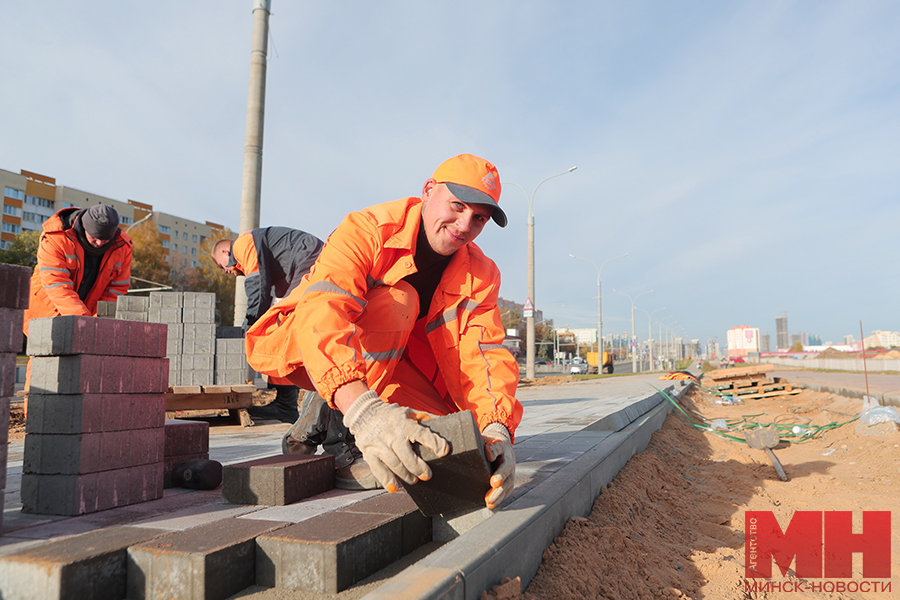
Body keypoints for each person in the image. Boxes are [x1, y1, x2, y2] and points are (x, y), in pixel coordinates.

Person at [245, 154, 523, 510]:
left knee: (454, 438)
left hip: (389, 366)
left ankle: (325, 411)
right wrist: (365, 413)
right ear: (428, 190)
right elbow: (323, 310)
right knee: (398, 300)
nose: (464, 224)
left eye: (479, 218)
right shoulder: (368, 229)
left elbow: (483, 354)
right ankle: (344, 440)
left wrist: (497, 428)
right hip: (306, 345)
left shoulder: (480, 273)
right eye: (457, 205)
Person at [212, 227, 324, 424]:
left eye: (222, 266)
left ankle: (286, 405)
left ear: (224, 252)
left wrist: (252, 323)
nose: (226, 271)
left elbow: (257, 286)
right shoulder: (266, 255)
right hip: (306, 259)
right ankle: (285, 404)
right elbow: (267, 292)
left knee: (284, 330)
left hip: (309, 258)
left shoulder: (241, 245)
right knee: (282, 329)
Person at [24, 204, 132, 335]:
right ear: (85, 228)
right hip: (47, 311)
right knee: (44, 352)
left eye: (105, 240)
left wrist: (100, 322)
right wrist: (84, 321)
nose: (99, 243)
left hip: (87, 316)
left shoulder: (122, 247)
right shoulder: (55, 237)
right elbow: (57, 284)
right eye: (95, 238)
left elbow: (115, 290)